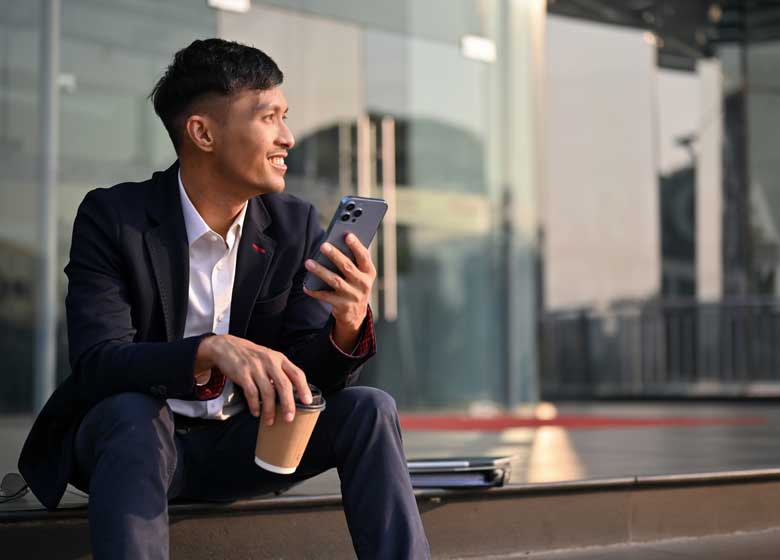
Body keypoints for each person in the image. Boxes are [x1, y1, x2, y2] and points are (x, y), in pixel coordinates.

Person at [18, 38, 430, 559]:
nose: (288, 137)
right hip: (136, 448)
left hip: (245, 446)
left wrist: (347, 322)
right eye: (268, 117)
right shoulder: (113, 218)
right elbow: (98, 364)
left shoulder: (292, 223)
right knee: (132, 414)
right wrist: (208, 350)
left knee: (370, 408)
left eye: (286, 116)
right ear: (203, 132)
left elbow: (309, 375)